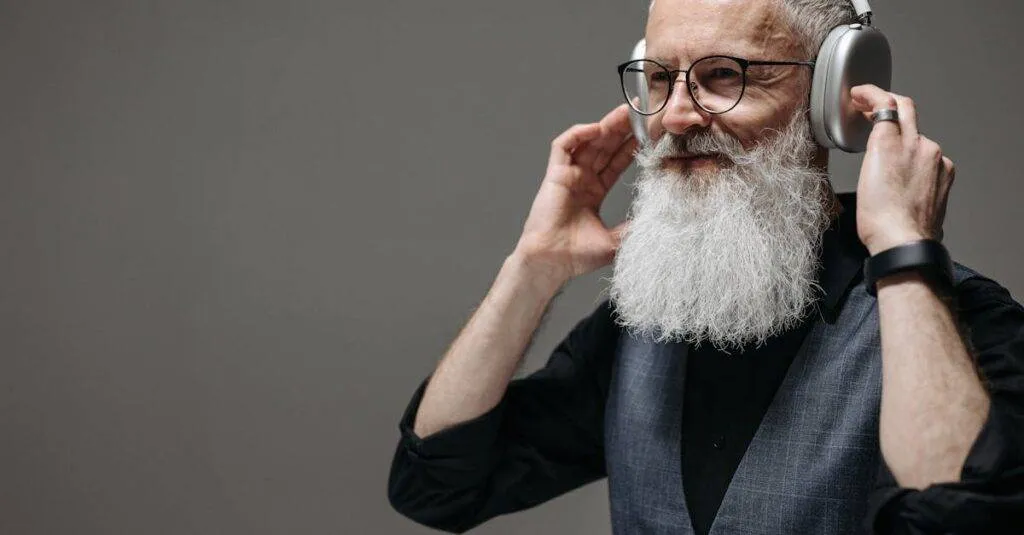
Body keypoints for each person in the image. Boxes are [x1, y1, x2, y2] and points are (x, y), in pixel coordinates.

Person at [387, 0, 1024, 533]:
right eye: (660, 79)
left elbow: (967, 520)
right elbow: (436, 486)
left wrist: (905, 249)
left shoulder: (963, 320)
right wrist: (532, 267)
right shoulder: (648, 316)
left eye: (725, 75)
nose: (677, 116)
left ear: (834, 97)